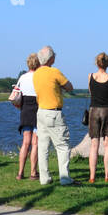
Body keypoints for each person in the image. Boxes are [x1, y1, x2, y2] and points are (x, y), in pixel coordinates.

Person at [33, 45, 75, 185]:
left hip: (41, 112)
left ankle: (44, 178)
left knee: (43, 146)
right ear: (51, 58)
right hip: (53, 112)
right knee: (62, 146)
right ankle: (65, 178)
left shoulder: (36, 74)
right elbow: (69, 87)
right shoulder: (54, 72)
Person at [86, 52, 108, 183]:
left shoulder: (90, 76)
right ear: (107, 63)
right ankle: (107, 176)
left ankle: (92, 177)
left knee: (94, 145)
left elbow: (91, 91)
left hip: (94, 110)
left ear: (97, 63)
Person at [16, 53, 40, 180]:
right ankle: (33, 172)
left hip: (25, 110)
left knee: (25, 142)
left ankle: (20, 173)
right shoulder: (39, 77)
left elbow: (15, 95)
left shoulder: (22, 77)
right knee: (35, 143)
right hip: (37, 110)